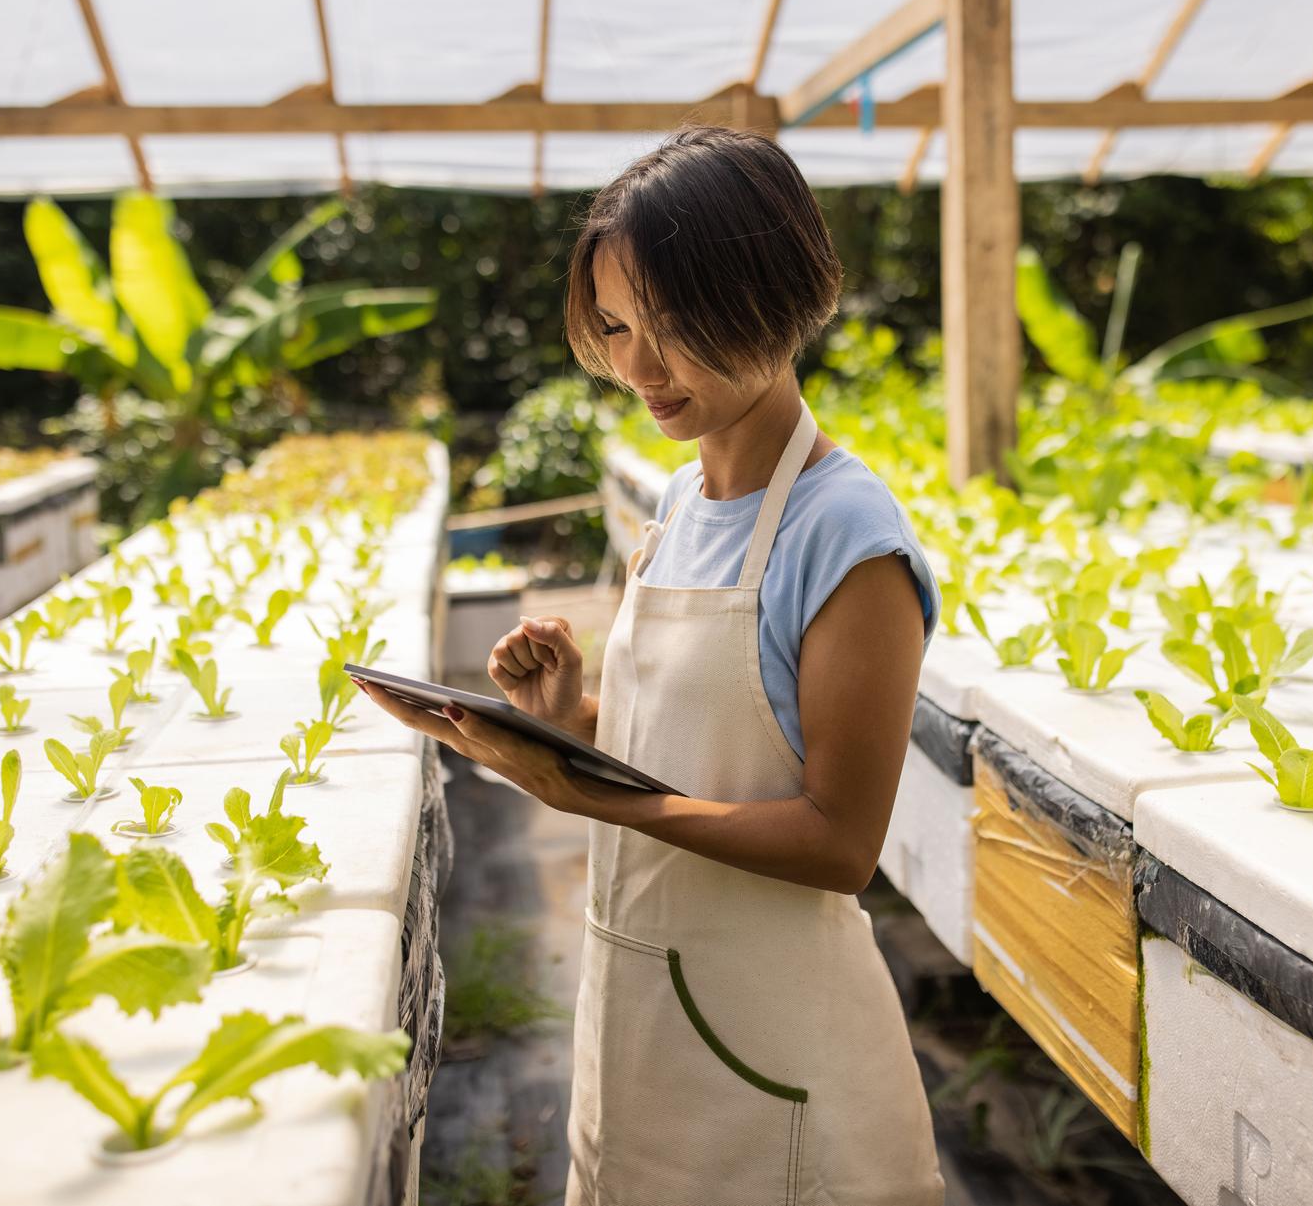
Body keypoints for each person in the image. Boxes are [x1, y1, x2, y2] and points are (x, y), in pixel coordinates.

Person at [359, 124, 945, 1205]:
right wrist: (570, 718)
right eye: (620, 328)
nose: (636, 368)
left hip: (780, 1062)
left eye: (671, 328)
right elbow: (689, 752)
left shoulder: (849, 537)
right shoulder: (678, 507)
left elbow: (840, 842)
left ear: (774, 298)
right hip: (646, 1028)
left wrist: (595, 801)